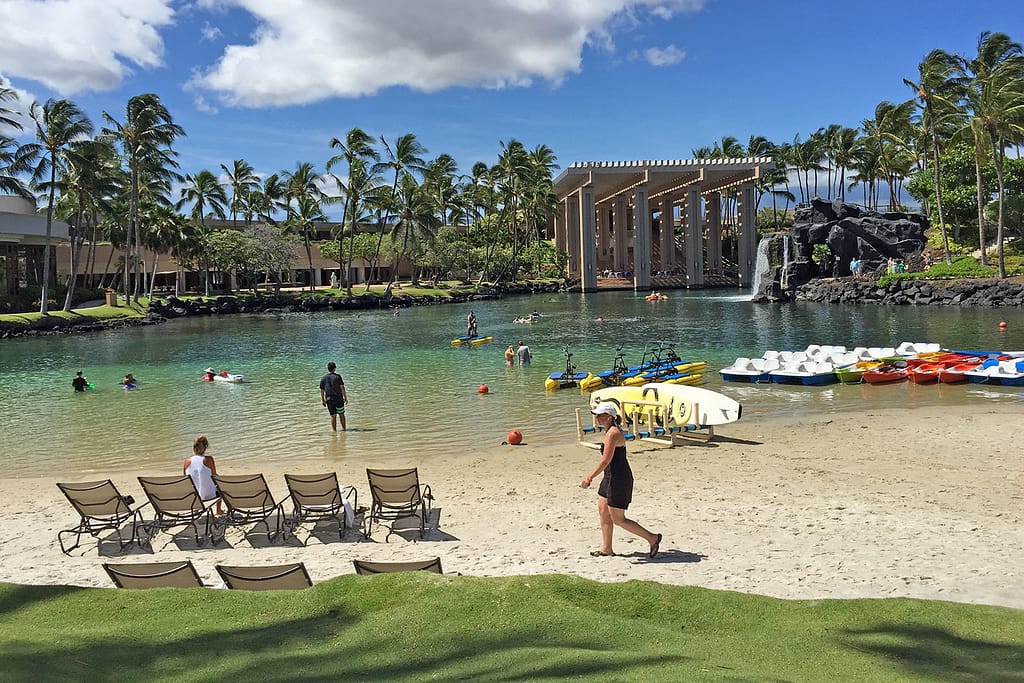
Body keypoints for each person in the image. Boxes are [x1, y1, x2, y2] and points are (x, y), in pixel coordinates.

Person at [581, 404, 661, 558]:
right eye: (596, 415)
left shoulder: (613, 433)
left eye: (600, 415)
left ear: (609, 416)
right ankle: (606, 548)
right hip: (609, 477)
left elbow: (605, 460)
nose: (597, 418)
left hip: (619, 479)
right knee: (603, 512)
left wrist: (589, 477)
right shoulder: (609, 430)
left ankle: (653, 538)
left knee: (618, 519)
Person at [183, 435, 222, 514]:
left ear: (193, 448)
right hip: (209, 496)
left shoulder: (186, 462)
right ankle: (218, 510)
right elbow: (214, 476)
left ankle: (196, 508)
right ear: (205, 448)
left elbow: (186, 479)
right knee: (219, 484)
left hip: (194, 498)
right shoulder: (209, 459)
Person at [319, 361, 349, 431]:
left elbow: (322, 390)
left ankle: (334, 431)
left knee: (333, 416)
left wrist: (323, 400)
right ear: (334, 368)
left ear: (328, 369)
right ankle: (344, 429)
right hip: (338, 399)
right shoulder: (338, 377)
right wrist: (345, 398)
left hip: (329, 400)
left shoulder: (324, 378)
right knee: (341, 414)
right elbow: (342, 388)